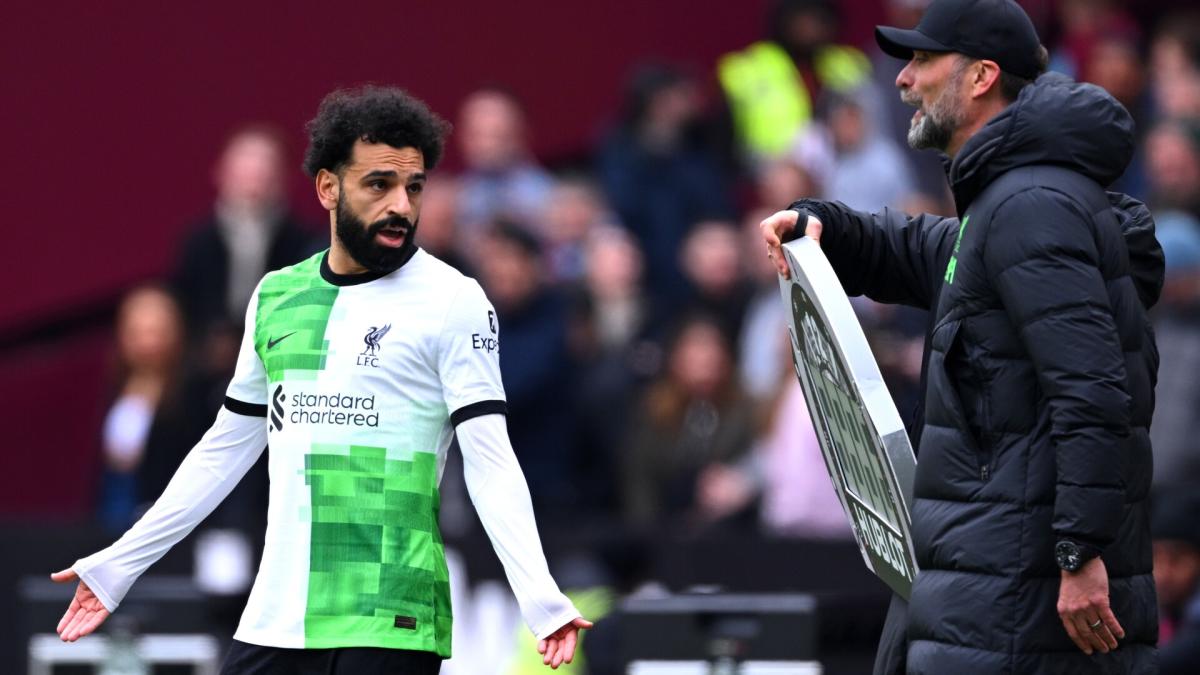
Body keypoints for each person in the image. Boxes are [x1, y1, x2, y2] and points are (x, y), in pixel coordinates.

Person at [52, 85, 590, 673]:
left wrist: (540, 595)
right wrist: (118, 566)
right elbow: (224, 451)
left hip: (392, 614)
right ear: (327, 187)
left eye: (413, 187)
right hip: (276, 617)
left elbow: (490, 460)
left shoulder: (454, 301)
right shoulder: (277, 296)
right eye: (378, 185)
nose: (402, 207)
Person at [761, 0, 1161, 672]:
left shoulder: (1031, 203)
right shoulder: (1016, 198)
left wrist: (1080, 551)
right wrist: (826, 225)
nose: (902, 79)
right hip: (996, 591)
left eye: (921, 59)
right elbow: (934, 252)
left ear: (980, 77)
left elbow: (1092, 391)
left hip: (1017, 604)